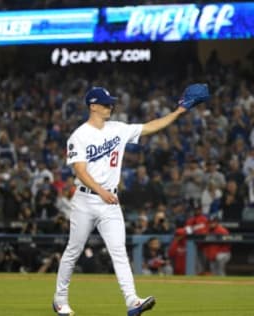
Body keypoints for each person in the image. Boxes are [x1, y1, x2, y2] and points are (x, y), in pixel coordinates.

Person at [53, 86, 195, 316]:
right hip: (86, 200)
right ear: (93, 106)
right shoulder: (79, 135)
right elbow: (79, 171)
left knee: (118, 250)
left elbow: (151, 126)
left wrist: (177, 112)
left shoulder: (118, 129)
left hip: (109, 200)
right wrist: (100, 191)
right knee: (73, 250)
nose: (111, 106)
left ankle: (132, 301)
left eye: (111, 102)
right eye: (106, 103)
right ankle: (60, 300)